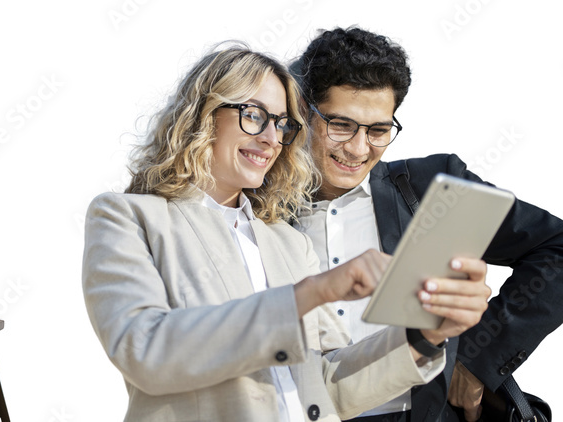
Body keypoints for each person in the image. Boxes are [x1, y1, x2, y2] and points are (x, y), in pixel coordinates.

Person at [81, 43, 492, 422]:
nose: (271, 138)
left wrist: (427, 334)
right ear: (204, 114)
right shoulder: (127, 217)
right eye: (254, 115)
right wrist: (309, 294)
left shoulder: (288, 242)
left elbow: (326, 385)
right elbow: (145, 352)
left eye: (281, 123)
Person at [290, 27, 563, 422]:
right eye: (341, 125)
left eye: (379, 130)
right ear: (304, 109)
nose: (358, 148)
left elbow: (557, 250)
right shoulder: (256, 204)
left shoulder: (435, 189)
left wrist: (475, 360)